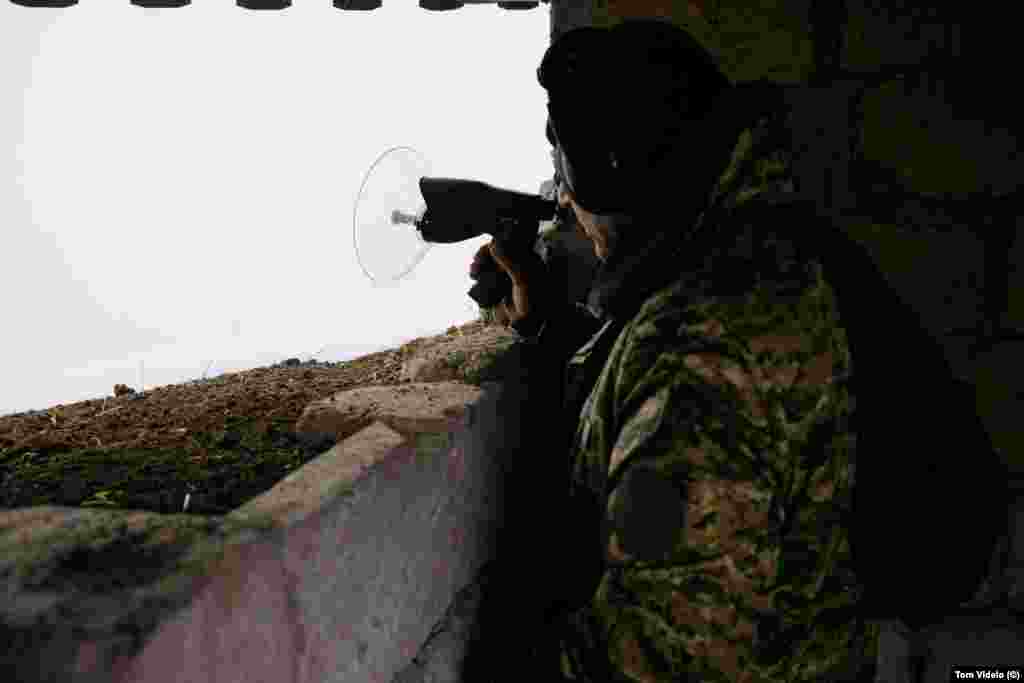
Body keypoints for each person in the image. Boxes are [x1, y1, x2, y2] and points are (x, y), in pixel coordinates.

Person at [469, 18, 878, 682]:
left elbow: (662, 661)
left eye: (566, 174)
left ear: (617, 174)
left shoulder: (701, 362)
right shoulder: (750, 252)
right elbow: (653, 391)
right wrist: (549, 325)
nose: (564, 199)